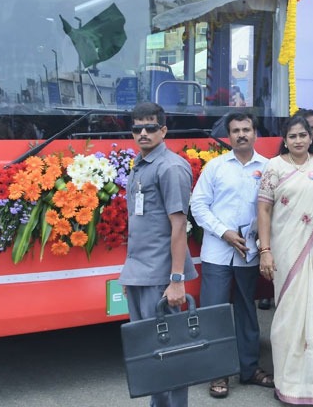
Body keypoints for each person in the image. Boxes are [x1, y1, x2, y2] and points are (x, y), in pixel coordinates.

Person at [257, 115, 313, 406]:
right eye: (292, 136)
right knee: (289, 315)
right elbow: (264, 211)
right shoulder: (274, 167)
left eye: (302, 135)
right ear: (284, 139)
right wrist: (265, 250)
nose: (298, 141)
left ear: (312, 137)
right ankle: (290, 382)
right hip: (286, 249)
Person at [189, 112, 273, 399]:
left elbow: (271, 209)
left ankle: (249, 369)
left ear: (255, 133)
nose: (241, 135)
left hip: (249, 252)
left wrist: (261, 239)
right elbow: (198, 205)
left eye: (246, 129)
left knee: (247, 311)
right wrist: (223, 232)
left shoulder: (268, 167)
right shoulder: (216, 167)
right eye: (235, 130)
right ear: (228, 135)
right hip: (217, 253)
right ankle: (218, 372)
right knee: (215, 314)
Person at [119, 102, 197, 407]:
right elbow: (140, 225)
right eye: (137, 128)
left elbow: (179, 226)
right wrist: (130, 273)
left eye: (150, 127)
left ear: (163, 130)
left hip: (161, 277)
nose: (143, 133)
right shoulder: (141, 164)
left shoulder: (171, 167)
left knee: (169, 352)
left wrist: (176, 280)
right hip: (140, 273)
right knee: (149, 353)